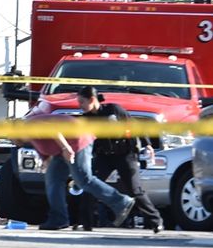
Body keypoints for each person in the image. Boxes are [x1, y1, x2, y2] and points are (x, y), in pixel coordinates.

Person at [20, 101, 135, 231]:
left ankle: (121, 201)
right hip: (62, 148)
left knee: (84, 179)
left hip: (77, 139)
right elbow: (42, 146)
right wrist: (46, 162)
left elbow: (53, 130)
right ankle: (59, 219)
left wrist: (66, 148)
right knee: (53, 180)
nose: (15, 143)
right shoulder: (29, 135)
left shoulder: (29, 125)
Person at [77, 86, 164, 233]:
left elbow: (135, 126)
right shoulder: (86, 118)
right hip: (104, 155)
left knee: (135, 190)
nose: (80, 106)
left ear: (92, 100)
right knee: (90, 185)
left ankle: (156, 221)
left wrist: (147, 145)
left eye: (82, 102)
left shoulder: (114, 110)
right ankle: (86, 223)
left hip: (125, 154)